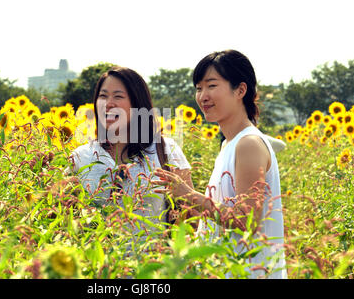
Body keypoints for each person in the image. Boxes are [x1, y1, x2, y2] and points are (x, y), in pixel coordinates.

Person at [153, 50, 287, 279]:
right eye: (198, 88)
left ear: (240, 90)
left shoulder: (248, 144)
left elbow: (247, 220)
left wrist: (188, 194)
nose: (203, 96)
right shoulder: (229, 145)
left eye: (211, 86)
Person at [69, 66, 193, 239]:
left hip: (154, 263)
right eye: (103, 96)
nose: (109, 103)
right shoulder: (80, 157)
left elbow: (191, 215)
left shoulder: (165, 150)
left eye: (118, 96)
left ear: (137, 103)